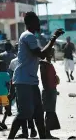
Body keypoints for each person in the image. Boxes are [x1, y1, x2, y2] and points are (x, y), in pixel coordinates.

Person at [7, 11, 64, 139]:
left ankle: (43, 137)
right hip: (24, 81)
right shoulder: (28, 36)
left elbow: (40, 55)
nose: (39, 23)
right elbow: (41, 54)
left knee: (38, 112)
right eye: (37, 21)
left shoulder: (28, 36)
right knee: (24, 113)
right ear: (31, 23)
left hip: (30, 81)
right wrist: (53, 38)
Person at [8, 55, 37, 138]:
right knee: (27, 110)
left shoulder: (15, 61)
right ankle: (29, 131)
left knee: (22, 111)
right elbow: (12, 78)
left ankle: (28, 131)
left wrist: (11, 91)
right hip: (24, 86)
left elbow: (12, 78)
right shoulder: (28, 59)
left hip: (22, 87)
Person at [40, 48, 60, 139]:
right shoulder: (44, 64)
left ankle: (47, 133)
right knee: (49, 112)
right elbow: (44, 79)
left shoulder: (49, 63)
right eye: (51, 52)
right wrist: (48, 90)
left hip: (52, 89)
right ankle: (47, 134)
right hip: (49, 90)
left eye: (53, 52)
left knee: (50, 112)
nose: (52, 54)